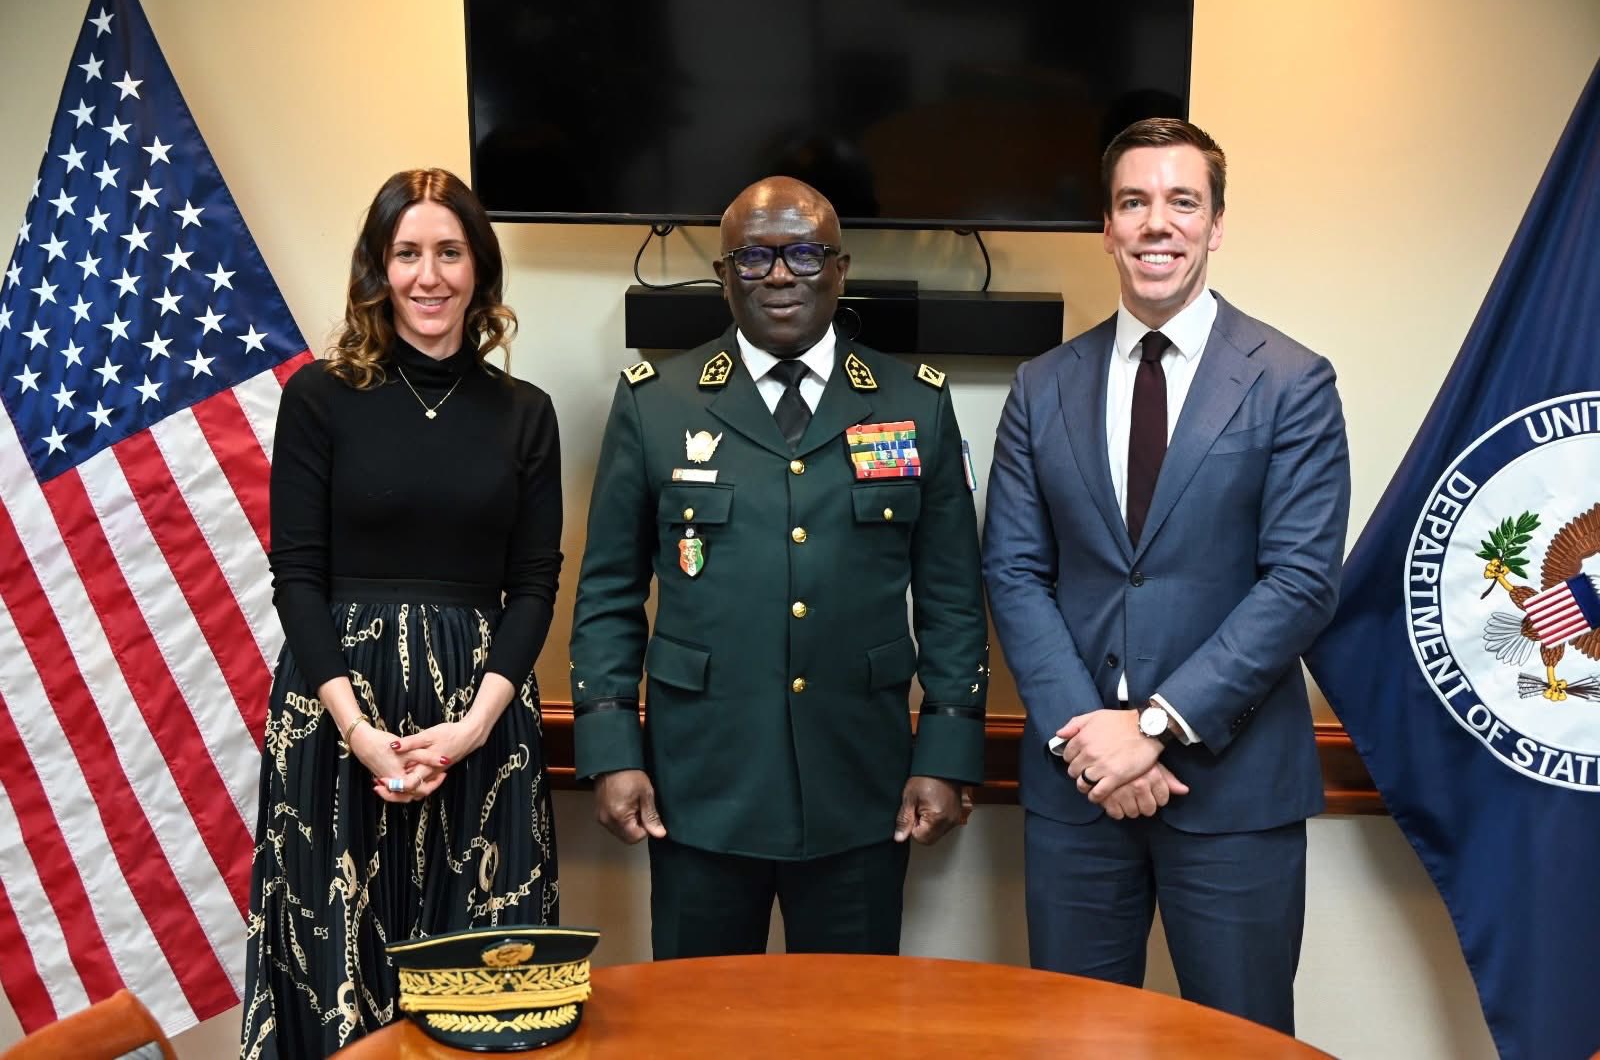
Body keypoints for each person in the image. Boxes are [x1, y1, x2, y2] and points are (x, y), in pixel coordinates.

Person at [981, 119, 1350, 1034]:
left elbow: (1300, 582)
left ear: (1216, 224)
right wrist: (1091, 742)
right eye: (1134, 202)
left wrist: (1152, 726)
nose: (1158, 223)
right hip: (1077, 790)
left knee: (1241, 1043)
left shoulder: (1291, 382)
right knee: (1073, 1040)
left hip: (1233, 793)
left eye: (1183, 202)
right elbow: (1015, 572)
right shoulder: (1041, 387)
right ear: (1106, 228)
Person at [569, 176, 988, 959]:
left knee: (849, 1021)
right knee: (698, 1019)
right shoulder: (657, 404)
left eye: (804, 253)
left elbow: (953, 599)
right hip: (700, 785)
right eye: (754, 257)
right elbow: (608, 595)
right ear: (724, 275)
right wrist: (611, 750)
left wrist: (947, 752)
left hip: (859, 783)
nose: (779, 275)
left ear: (840, 269)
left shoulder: (913, 402)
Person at [239, 169, 562, 1058]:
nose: (429, 276)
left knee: (484, 986)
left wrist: (471, 729)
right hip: (339, 719)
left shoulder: (525, 414)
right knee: (334, 969)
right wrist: (359, 732)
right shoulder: (318, 398)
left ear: (479, 269)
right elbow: (297, 577)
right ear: (378, 270)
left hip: (482, 723)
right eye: (407, 253)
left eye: (450, 253)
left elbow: (535, 585)